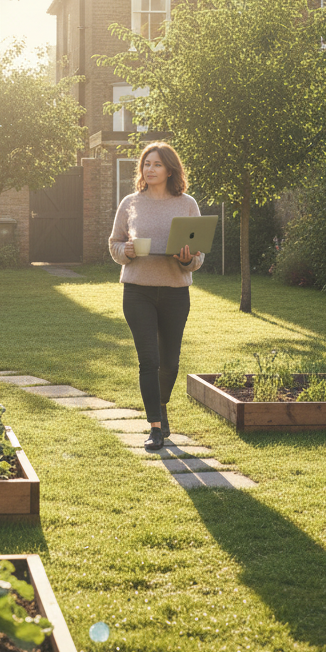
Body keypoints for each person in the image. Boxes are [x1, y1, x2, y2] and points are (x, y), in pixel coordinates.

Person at [108, 142, 204, 451]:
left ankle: (161, 406)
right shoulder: (130, 203)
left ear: (170, 169)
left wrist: (187, 259)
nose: (150, 169)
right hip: (138, 291)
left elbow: (198, 257)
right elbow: (114, 244)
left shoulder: (187, 204)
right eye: (146, 164)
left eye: (157, 164)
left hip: (176, 291)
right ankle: (155, 427)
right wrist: (127, 250)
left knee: (170, 362)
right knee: (148, 360)